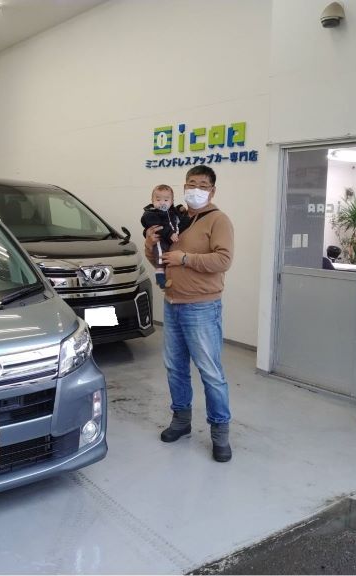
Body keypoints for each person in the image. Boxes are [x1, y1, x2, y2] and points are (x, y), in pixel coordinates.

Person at [144, 165, 234, 462]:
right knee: (175, 367)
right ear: (183, 187)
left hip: (202, 307)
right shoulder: (175, 217)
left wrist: (185, 258)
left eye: (203, 185)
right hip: (173, 303)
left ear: (212, 190)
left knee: (210, 372)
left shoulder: (218, 220)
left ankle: (220, 433)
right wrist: (150, 245)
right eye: (191, 184)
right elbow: (160, 259)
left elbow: (223, 260)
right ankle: (181, 421)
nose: (196, 189)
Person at [140, 184, 184, 288]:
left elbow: (177, 214)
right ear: (152, 200)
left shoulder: (171, 211)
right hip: (160, 239)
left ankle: (165, 277)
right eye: (158, 199)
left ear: (171, 201)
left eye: (166, 200)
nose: (162, 203)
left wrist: (180, 208)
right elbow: (158, 226)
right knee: (160, 254)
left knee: (168, 257)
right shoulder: (151, 214)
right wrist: (170, 234)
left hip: (171, 240)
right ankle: (160, 278)